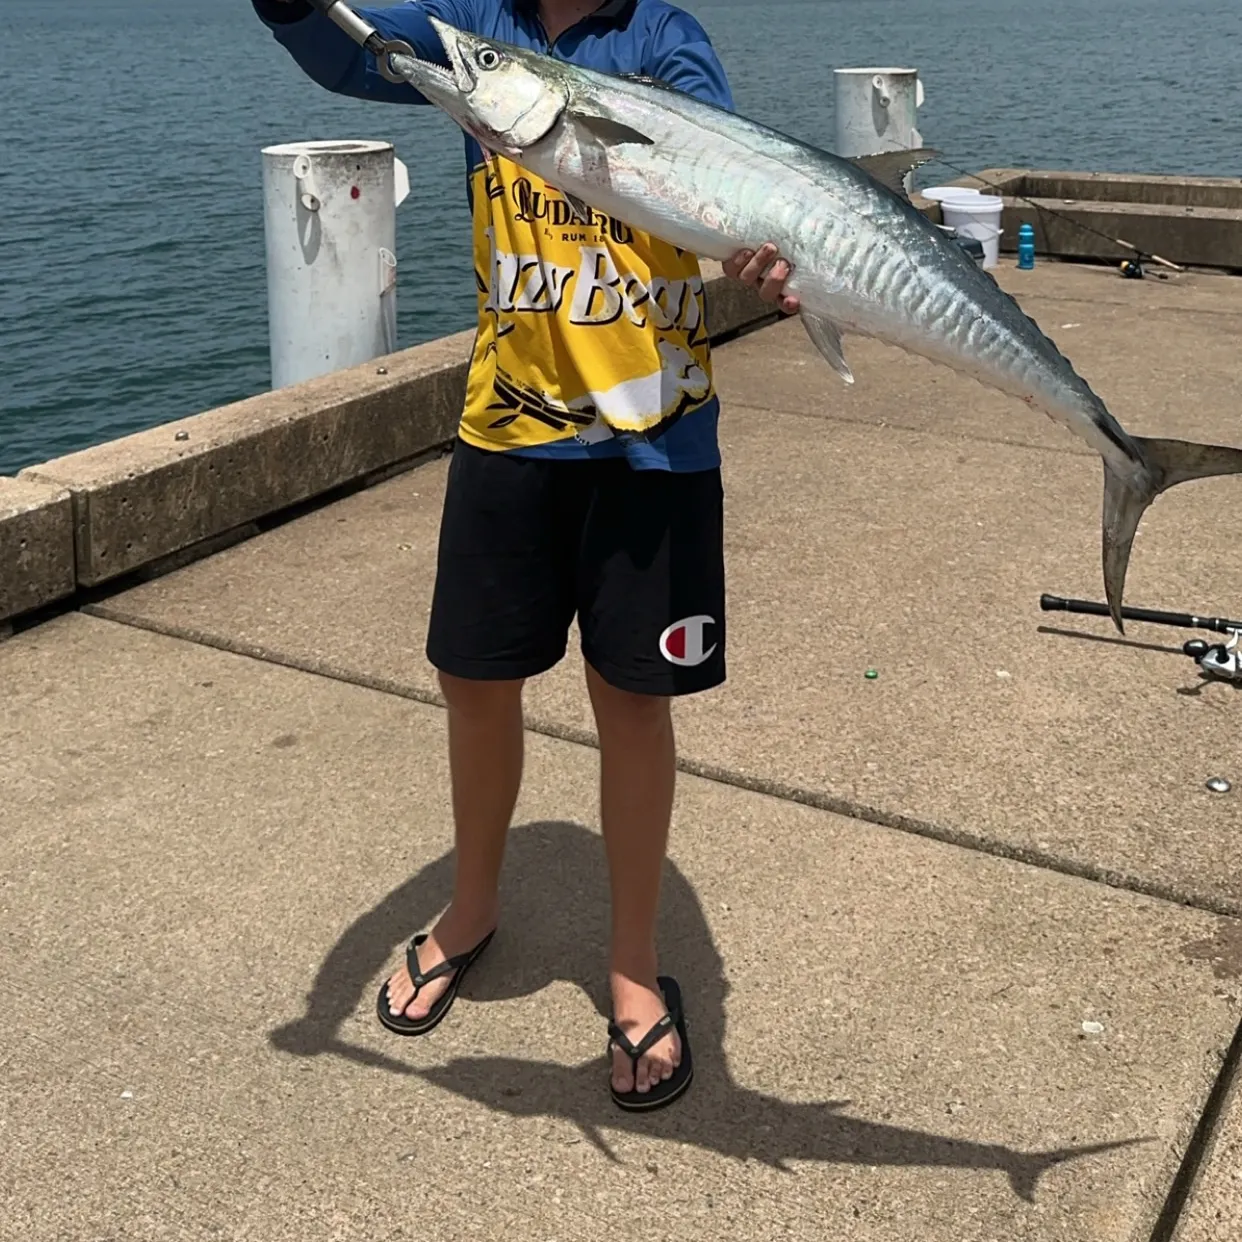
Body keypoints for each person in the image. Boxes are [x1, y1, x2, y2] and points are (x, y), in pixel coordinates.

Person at [253, 0, 797, 1110]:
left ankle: (633, 963)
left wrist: (765, 260)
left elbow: (724, 193)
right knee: (474, 680)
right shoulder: (475, 26)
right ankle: (472, 907)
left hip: (654, 442)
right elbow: (353, 52)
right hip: (509, 429)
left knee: (633, 702)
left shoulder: (663, 40)